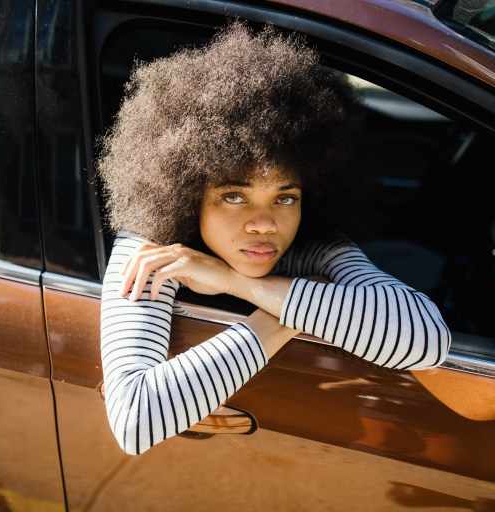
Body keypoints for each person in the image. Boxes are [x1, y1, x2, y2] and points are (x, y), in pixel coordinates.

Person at [97, 22, 451, 455]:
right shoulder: (151, 253)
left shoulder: (313, 242)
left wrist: (238, 284)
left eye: (285, 197)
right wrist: (282, 317)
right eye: (234, 196)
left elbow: (427, 341)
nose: (265, 224)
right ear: (187, 192)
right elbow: (134, 420)